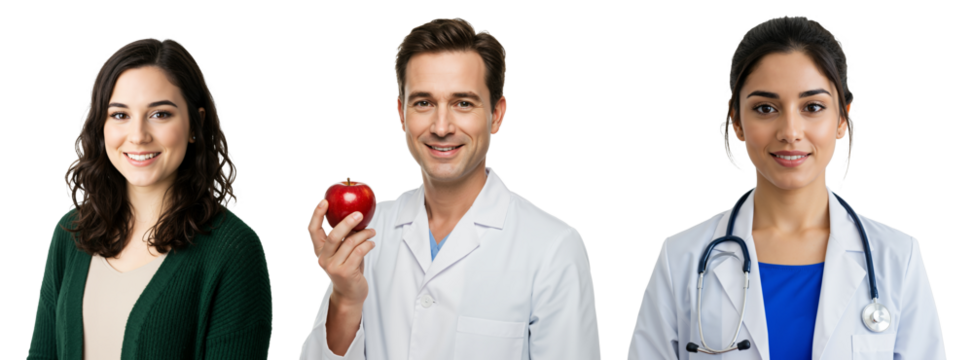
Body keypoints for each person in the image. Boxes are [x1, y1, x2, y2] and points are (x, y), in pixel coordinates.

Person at [626, 15, 946, 359]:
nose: (790, 131)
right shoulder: (682, 258)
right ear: (736, 121)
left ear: (842, 119)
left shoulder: (898, 258)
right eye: (766, 108)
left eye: (813, 107)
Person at [300, 16, 600, 359]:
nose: (441, 126)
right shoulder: (368, 231)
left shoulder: (553, 247)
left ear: (496, 115)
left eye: (463, 103)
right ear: (401, 114)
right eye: (424, 103)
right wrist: (346, 296)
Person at [28, 37, 272, 359]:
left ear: (194, 125)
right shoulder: (71, 233)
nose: (139, 135)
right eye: (119, 115)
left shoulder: (233, 249)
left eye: (159, 114)